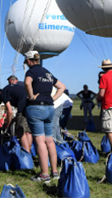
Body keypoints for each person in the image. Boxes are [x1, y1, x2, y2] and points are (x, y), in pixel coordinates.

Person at [24, 51, 66, 184]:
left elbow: (27, 83)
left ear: (29, 61)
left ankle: (44, 174)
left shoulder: (31, 72)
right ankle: (54, 171)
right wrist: (52, 98)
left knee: (40, 141)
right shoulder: (47, 72)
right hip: (49, 108)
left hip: (36, 108)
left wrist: (31, 97)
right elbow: (62, 86)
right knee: (50, 140)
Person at [1, 75, 32, 152]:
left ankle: (26, 153)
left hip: (22, 108)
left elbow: (10, 111)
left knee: (21, 131)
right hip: (32, 107)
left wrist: (7, 126)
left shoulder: (4, 91)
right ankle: (29, 153)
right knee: (28, 131)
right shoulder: (22, 85)